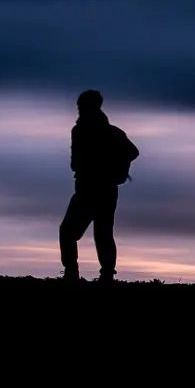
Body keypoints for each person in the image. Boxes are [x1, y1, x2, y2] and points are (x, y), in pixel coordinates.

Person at [60, 89, 138, 282]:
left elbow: (132, 152)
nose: (79, 110)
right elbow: (132, 152)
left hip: (90, 188)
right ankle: (105, 274)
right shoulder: (111, 132)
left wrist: (111, 168)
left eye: (81, 106)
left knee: (71, 231)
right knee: (102, 232)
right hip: (104, 189)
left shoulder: (83, 131)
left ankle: (75, 273)